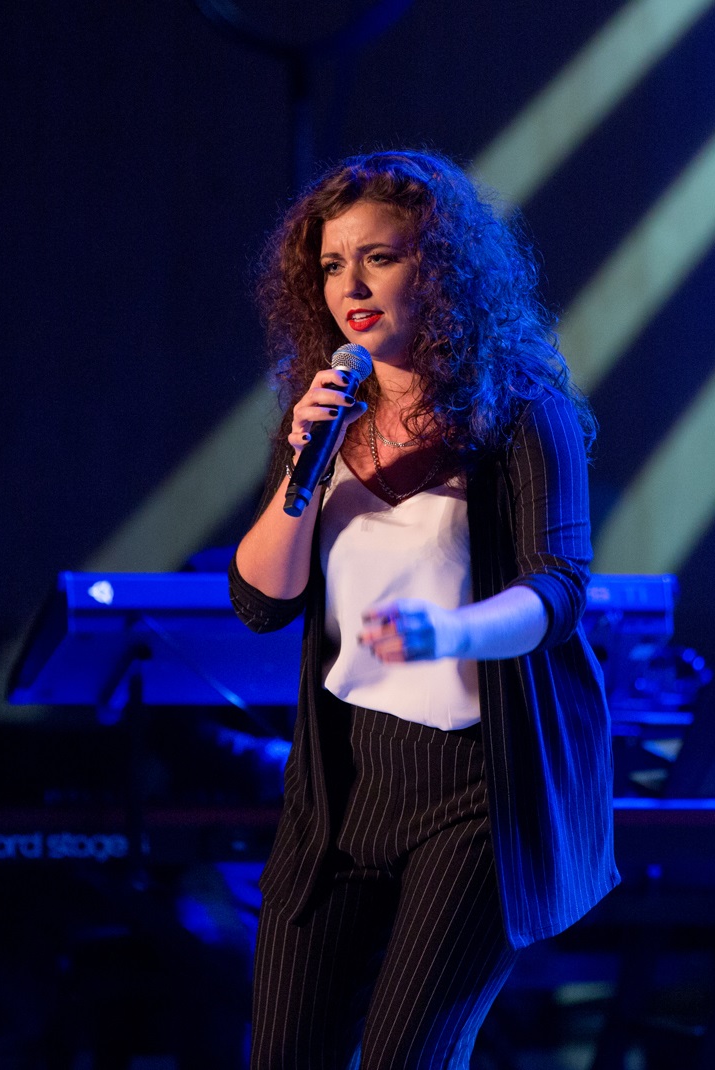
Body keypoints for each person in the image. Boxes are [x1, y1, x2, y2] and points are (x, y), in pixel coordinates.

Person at [228, 149, 618, 1069]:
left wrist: (451, 632)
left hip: (478, 788)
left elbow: (558, 591)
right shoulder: (327, 414)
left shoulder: (521, 409)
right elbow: (260, 602)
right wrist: (302, 464)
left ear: (440, 267)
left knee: (407, 1056)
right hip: (341, 787)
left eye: (380, 257)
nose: (351, 287)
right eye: (332, 264)